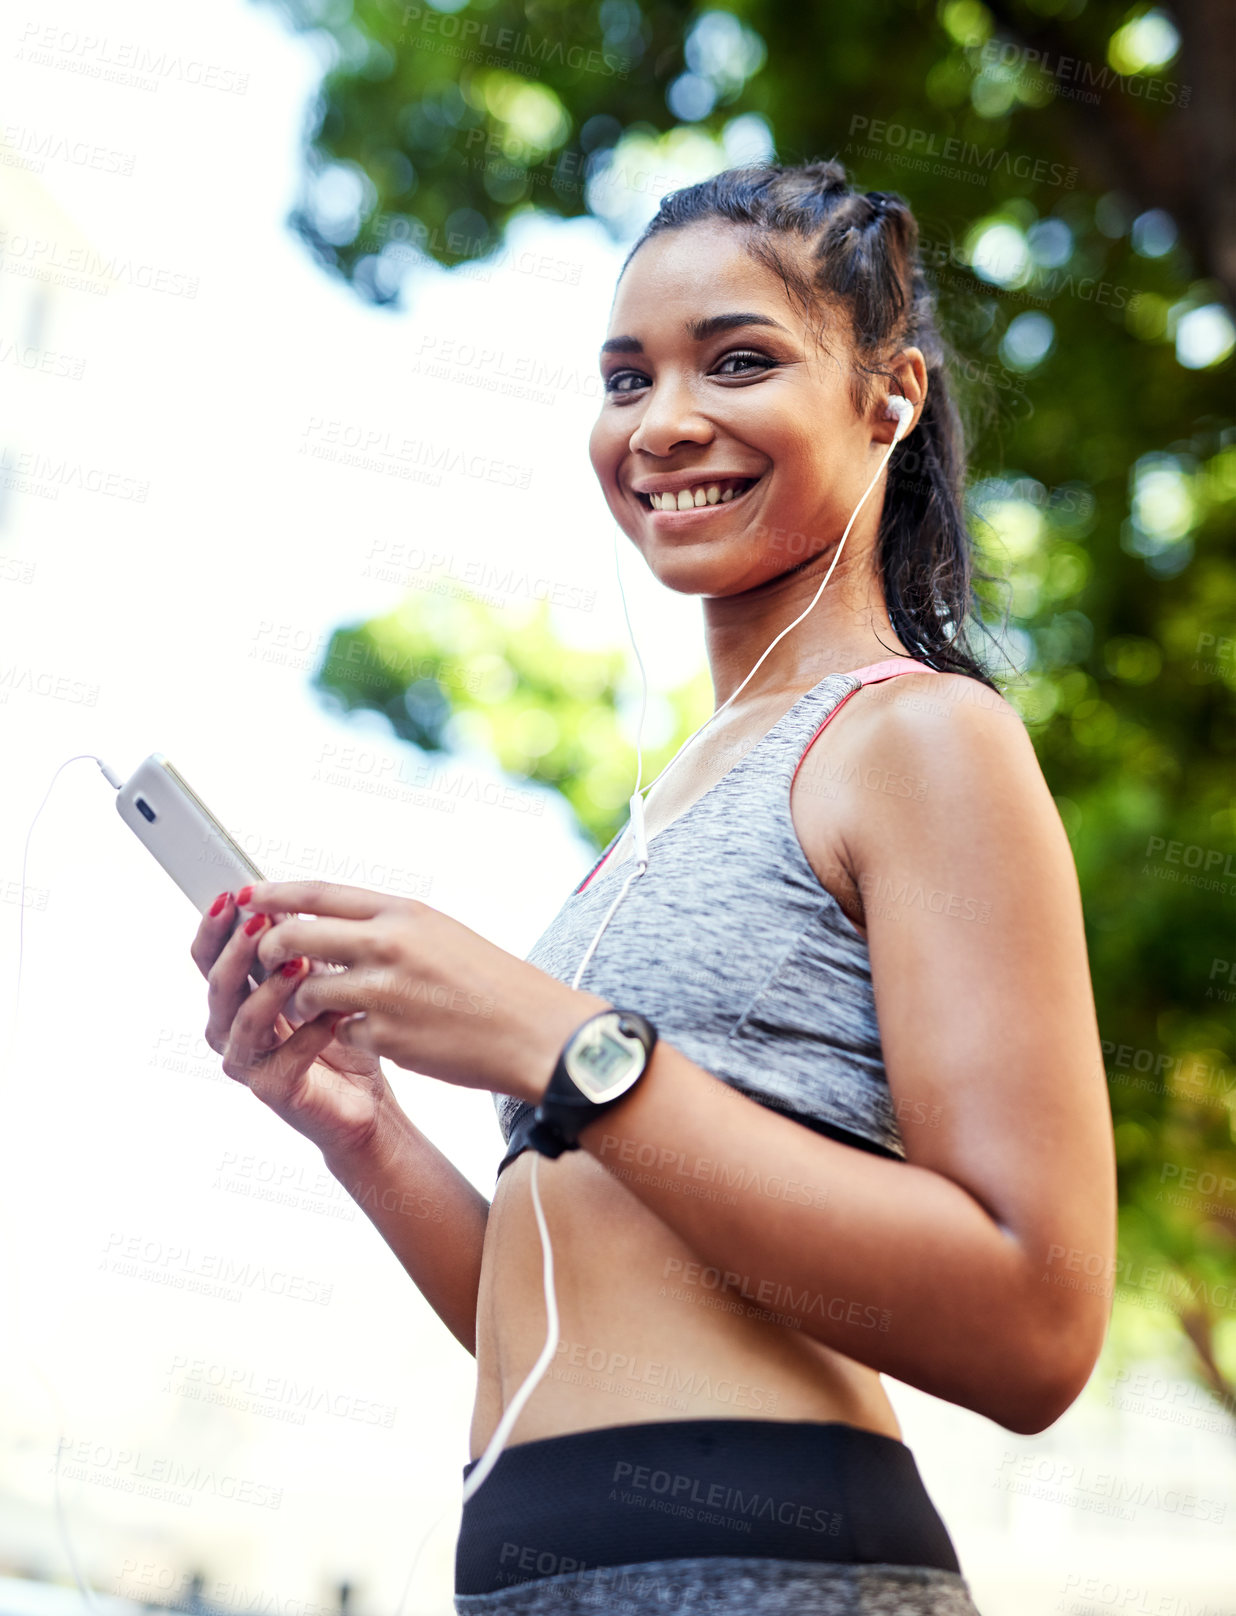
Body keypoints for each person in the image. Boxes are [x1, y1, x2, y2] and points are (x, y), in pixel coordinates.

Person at [190, 159, 1117, 1615]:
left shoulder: (922, 738)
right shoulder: (663, 808)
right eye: (626, 378)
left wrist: (563, 1048)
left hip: (767, 1568)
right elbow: (575, 1317)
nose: (664, 420)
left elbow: (1038, 1324)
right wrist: (362, 1133)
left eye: (739, 361)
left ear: (893, 397)